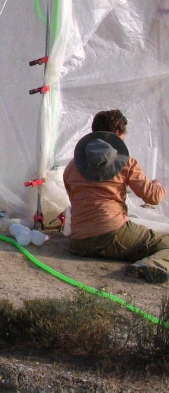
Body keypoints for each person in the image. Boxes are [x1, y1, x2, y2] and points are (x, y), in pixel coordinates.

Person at [64, 110, 169, 284]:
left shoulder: (73, 164)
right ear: (118, 134)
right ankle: (151, 264)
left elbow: (73, 197)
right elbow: (153, 197)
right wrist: (159, 185)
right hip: (111, 233)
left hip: (79, 241)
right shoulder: (125, 162)